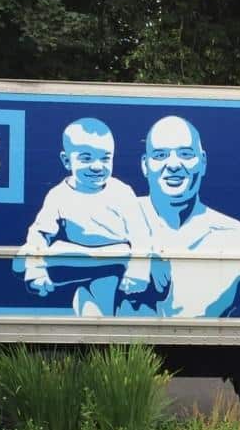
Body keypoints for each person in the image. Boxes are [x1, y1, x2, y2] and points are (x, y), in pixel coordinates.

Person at [120, 115, 240, 320]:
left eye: (186, 154)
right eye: (160, 155)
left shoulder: (239, 239)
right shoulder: (117, 221)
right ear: (145, 165)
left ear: (202, 162)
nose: (174, 164)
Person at [15, 117, 152, 316]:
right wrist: (36, 270)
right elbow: (39, 233)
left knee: (105, 284)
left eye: (105, 158)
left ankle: (96, 324)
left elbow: (141, 235)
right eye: (86, 158)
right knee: (24, 257)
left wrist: (138, 271)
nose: (97, 166)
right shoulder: (58, 195)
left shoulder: (121, 192)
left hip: (116, 257)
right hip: (77, 258)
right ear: (66, 160)